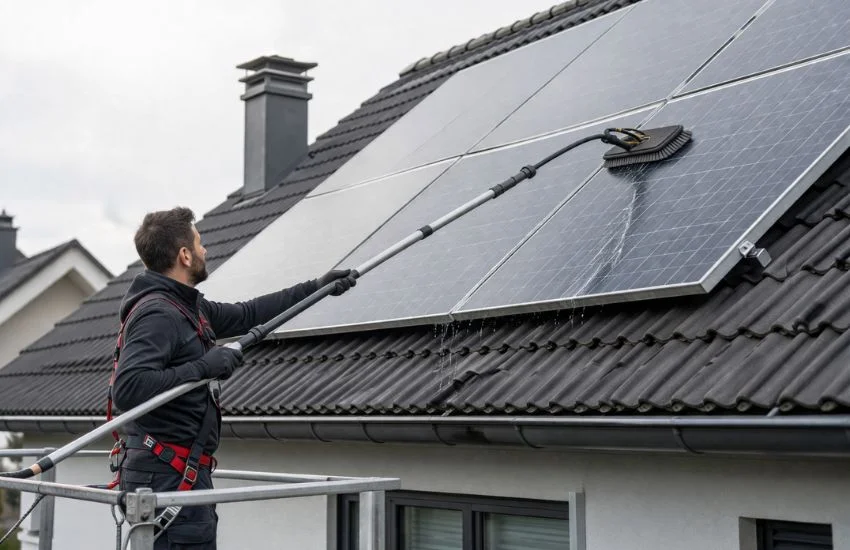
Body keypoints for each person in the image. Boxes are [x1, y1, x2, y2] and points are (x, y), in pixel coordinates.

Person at [112, 206, 355, 548]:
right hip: (163, 479)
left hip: (177, 474)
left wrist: (317, 288)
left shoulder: (188, 308)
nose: (204, 250)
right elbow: (129, 388)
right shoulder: (159, 313)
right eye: (199, 243)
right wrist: (204, 367)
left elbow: (248, 314)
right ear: (184, 255)